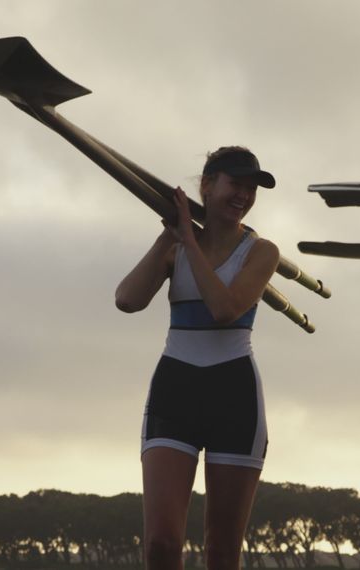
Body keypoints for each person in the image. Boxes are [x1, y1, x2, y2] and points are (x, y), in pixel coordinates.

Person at [114, 146, 280, 570]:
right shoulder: (176, 246)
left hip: (234, 395)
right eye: (234, 184)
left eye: (251, 188)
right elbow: (127, 299)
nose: (243, 195)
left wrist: (190, 238)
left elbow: (225, 309)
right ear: (207, 186)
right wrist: (169, 236)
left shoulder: (262, 253)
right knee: (162, 545)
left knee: (222, 552)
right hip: (176, 389)